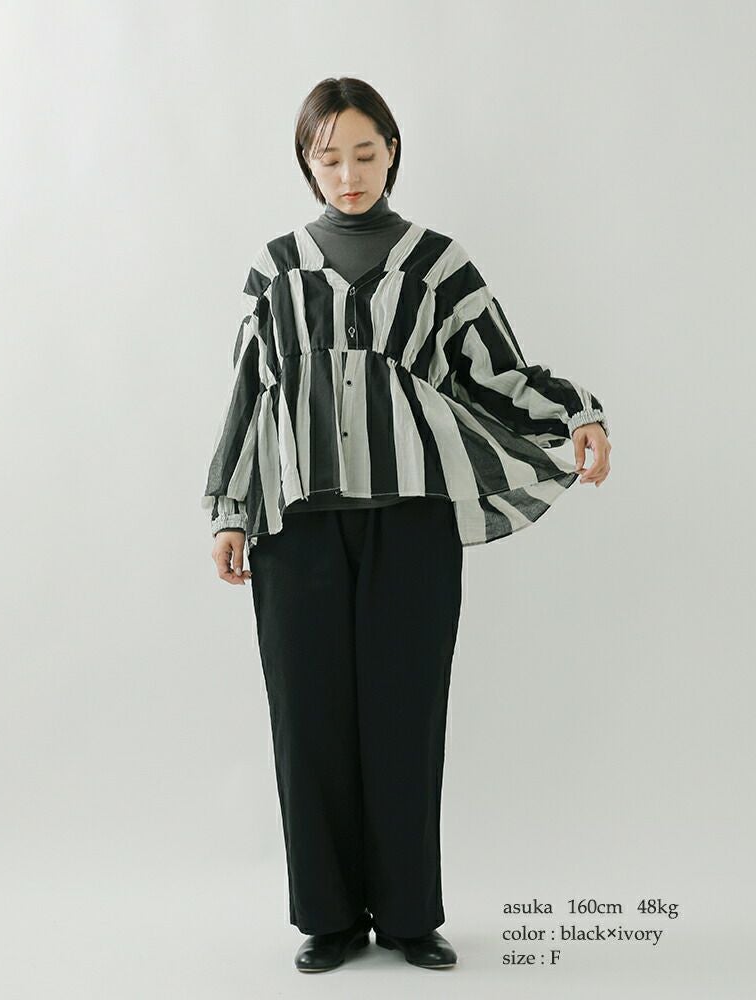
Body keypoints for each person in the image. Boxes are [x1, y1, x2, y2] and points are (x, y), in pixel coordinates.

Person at [202, 77, 611, 973]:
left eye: (365, 153)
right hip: (296, 530)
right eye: (329, 158)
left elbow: (498, 375)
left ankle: (409, 916)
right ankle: (328, 919)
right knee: (308, 722)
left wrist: (578, 412)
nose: (349, 175)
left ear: (392, 151)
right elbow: (250, 397)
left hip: (413, 522)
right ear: (307, 162)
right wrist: (231, 511)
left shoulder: (439, 265)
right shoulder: (275, 269)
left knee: (405, 716)